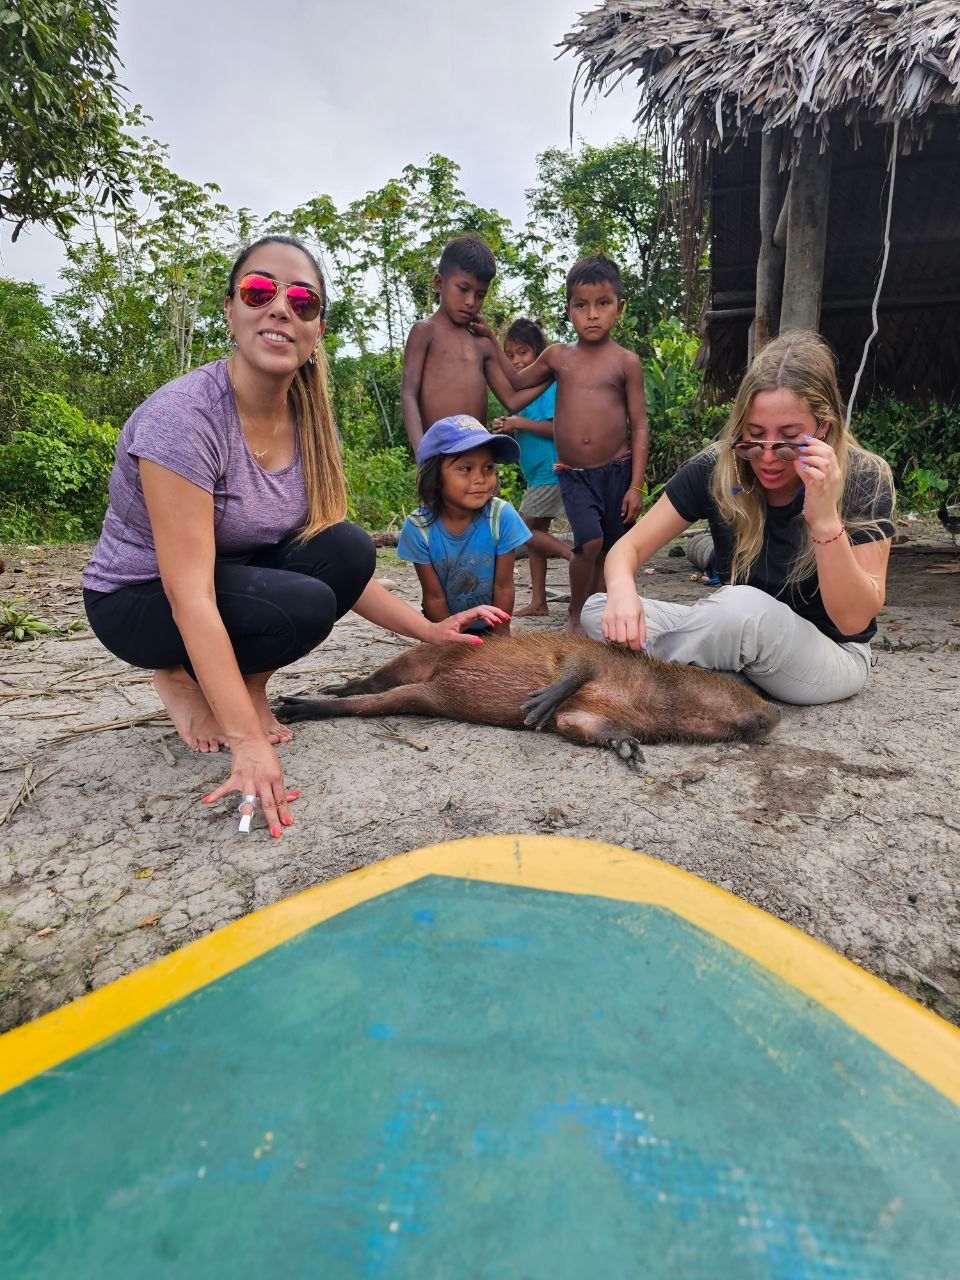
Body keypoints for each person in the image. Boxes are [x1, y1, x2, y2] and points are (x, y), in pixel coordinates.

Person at [82, 236, 508, 838]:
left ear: (317, 332)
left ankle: (245, 684)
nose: (281, 307)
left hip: (231, 577)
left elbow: (348, 574)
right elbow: (190, 595)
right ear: (230, 311)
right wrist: (248, 743)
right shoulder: (184, 418)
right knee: (301, 607)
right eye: (260, 291)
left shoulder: (306, 420)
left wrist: (430, 630)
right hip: (138, 598)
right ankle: (176, 674)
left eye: (302, 300)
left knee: (350, 545)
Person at [586, 331, 896, 706]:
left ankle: (647, 674)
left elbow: (854, 621)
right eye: (753, 436)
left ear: (823, 429)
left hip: (831, 655)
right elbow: (627, 549)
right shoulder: (719, 466)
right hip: (740, 630)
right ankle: (717, 674)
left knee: (741, 611)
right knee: (599, 610)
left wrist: (826, 519)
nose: (766, 457)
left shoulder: (865, 476)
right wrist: (622, 594)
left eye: (787, 440)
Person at [483, 254, 649, 635]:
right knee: (588, 543)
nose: (592, 315)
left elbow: (639, 426)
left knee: (612, 549)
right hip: (573, 474)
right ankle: (575, 613)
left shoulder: (626, 363)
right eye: (581, 305)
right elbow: (513, 391)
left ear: (619, 308)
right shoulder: (559, 357)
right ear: (568, 310)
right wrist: (488, 341)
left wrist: (636, 486)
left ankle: (606, 614)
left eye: (603, 304)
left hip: (618, 470)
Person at [400, 234, 549, 453]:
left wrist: (554, 374)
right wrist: (421, 451)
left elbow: (512, 400)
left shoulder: (482, 342)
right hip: (440, 454)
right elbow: (409, 394)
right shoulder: (425, 331)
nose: (471, 302)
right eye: (463, 289)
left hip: (480, 454)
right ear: (439, 283)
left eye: (480, 294)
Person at [397, 416, 532, 634]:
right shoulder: (419, 528)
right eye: (466, 469)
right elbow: (433, 597)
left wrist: (501, 640)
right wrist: (449, 640)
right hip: (445, 624)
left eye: (488, 467)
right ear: (435, 476)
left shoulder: (501, 516)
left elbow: (504, 587)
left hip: (492, 626)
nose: (480, 479)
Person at [491, 318, 573, 617]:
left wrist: (517, 422)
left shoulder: (548, 385)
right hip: (536, 473)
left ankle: (571, 555)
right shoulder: (525, 391)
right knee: (537, 537)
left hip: (549, 471)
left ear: (539, 352)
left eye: (523, 352)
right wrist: (509, 427)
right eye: (510, 355)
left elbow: (556, 428)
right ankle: (539, 601)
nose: (517, 360)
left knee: (521, 529)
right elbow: (528, 426)